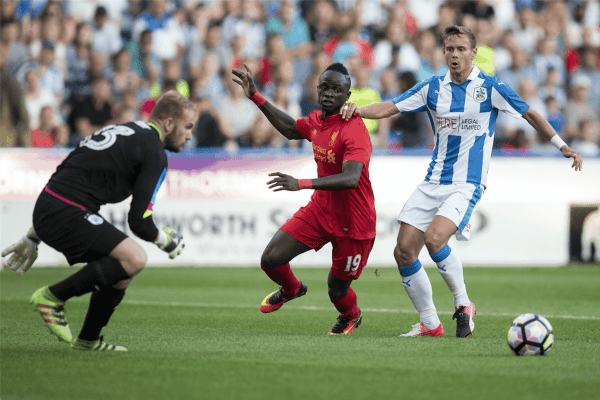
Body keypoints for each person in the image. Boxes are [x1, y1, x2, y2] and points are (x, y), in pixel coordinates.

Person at [340, 25, 582, 338]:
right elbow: (390, 106)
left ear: (472, 52)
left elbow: (529, 114)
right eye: (450, 49)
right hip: (433, 180)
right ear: (443, 52)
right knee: (403, 252)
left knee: (435, 239)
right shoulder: (432, 87)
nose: (455, 54)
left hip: (467, 183)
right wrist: (356, 110)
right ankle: (429, 323)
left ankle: (463, 303)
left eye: (461, 49)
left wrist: (561, 144)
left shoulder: (490, 87)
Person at [1, 90, 197, 351]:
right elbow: (139, 221)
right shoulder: (154, 153)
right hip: (65, 209)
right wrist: (165, 240)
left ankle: (88, 340)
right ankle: (52, 297)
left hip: (52, 205)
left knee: (122, 271)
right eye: (187, 127)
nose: (190, 135)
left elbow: (72, 173)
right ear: (169, 123)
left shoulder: (124, 130)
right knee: (134, 258)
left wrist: (33, 235)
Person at [231, 62, 376, 334]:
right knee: (270, 259)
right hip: (321, 211)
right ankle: (292, 288)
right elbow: (289, 128)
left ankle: (351, 316)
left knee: (336, 289)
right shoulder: (316, 122)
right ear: (317, 89)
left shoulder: (354, 129)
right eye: (325, 88)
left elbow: (351, 178)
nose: (329, 94)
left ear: (348, 96)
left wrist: (301, 183)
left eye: (337, 90)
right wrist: (255, 96)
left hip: (354, 223)